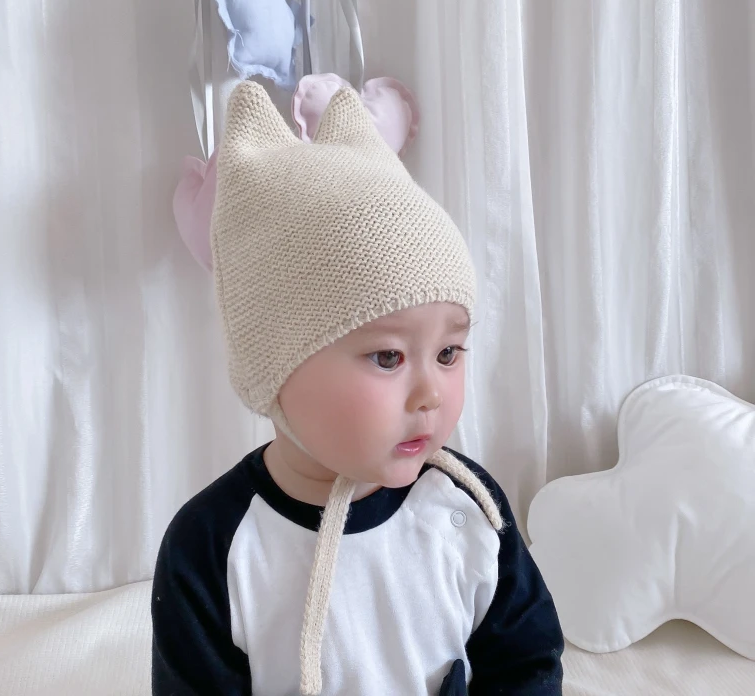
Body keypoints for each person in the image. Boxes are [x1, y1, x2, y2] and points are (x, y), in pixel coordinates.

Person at [151, 81, 564, 695]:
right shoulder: (213, 547)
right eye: (389, 356)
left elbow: (527, 664)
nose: (431, 393)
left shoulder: (466, 510)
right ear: (276, 363)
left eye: (449, 352)